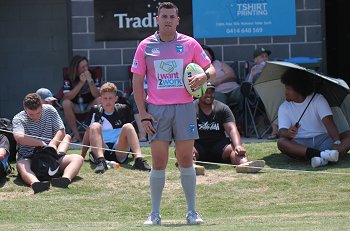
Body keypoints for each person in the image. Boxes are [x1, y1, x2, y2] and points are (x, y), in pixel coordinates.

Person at [131, 2, 216, 225]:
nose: (168, 20)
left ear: (178, 20)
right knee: (159, 162)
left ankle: (192, 212)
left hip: (185, 108)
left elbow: (211, 68)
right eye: (164, 16)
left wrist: (204, 77)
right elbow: (137, 81)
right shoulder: (145, 46)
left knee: (186, 159)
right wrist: (143, 113)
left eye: (172, 16)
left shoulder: (190, 43)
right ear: (157, 19)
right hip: (157, 111)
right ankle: (155, 214)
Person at [12, 93, 84, 194]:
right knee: (21, 165)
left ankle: (65, 179)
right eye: (31, 114)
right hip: (29, 157)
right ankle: (36, 183)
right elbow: (19, 138)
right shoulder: (18, 118)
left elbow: (61, 130)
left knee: (78, 158)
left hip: (51, 155)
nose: (35, 117)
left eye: (38, 113)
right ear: (25, 109)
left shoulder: (50, 110)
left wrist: (52, 144)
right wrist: (40, 143)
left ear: (42, 106)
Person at [193, 83, 265, 173]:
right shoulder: (191, 108)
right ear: (198, 93)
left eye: (211, 92)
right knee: (185, 150)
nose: (209, 95)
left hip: (219, 146)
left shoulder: (223, 108)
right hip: (198, 146)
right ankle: (190, 167)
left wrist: (238, 145)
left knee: (236, 150)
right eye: (205, 92)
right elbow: (186, 130)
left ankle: (245, 165)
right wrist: (189, 146)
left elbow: (231, 129)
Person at [80, 82, 151, 173]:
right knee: (95, 126)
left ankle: (139, 160)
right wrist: (82, 156)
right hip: (101, 149)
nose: (108, 101)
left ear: (116, 99)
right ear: (101, 99)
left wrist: (134, 154)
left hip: (119, 149)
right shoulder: (95, 110)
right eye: (105, 98)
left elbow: (131, 133)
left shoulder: (123, 109)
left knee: (129, 126)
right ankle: (101, 162)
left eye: (110, 98)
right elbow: (87, 133)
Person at [277, 71, 341, 168]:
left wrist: (337, 142)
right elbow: (282, 131)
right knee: (281, 142)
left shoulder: (318, 99)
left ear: (298, 89)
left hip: (323, 140)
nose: (285, 92)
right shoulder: (284, 107)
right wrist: (288, 133)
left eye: (288, 89)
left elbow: (329, 123)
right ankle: (323, 156)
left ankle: (319, 158)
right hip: (300, 145)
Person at [62, 55, 101, 143]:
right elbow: (67, 96)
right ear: (76, 68)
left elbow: (97, 95)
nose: (85, 69)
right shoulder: (69, 76)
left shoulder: (93, 74)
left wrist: (90, 80)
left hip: (90, 104)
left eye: (86, 66)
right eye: (82, 67)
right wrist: (81, 83)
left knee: (100, 100)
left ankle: (94, 134)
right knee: (66, 103)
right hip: (75, 105)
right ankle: (76, 135)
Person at [247, 47, 278, 139]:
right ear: (255, 60)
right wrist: (252, 74)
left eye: (266, 56)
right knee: (268, 99)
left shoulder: (272, 67)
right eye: (262, 56)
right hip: (259, 97)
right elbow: (247, 86)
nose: (265, 58)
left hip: (275, 94)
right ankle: (275, 129)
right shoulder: (253, 69)